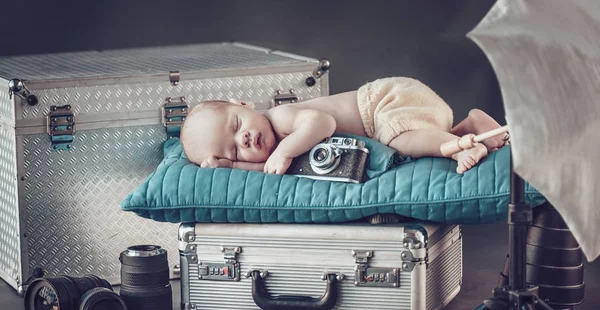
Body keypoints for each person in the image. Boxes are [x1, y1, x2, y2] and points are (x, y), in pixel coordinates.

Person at [180, 77, 509, 175]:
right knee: (409, 137)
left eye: (238, 125)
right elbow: (269, 167)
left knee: (401, 141)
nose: (246, 138)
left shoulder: (280, 119)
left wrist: (284, 149)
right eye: (235, 146)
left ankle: (459, 148)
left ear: (245, 105)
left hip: (387, 100)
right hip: (401, 110)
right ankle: (470, 126)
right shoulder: (272, 147)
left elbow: (324, 123)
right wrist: (228, 165)